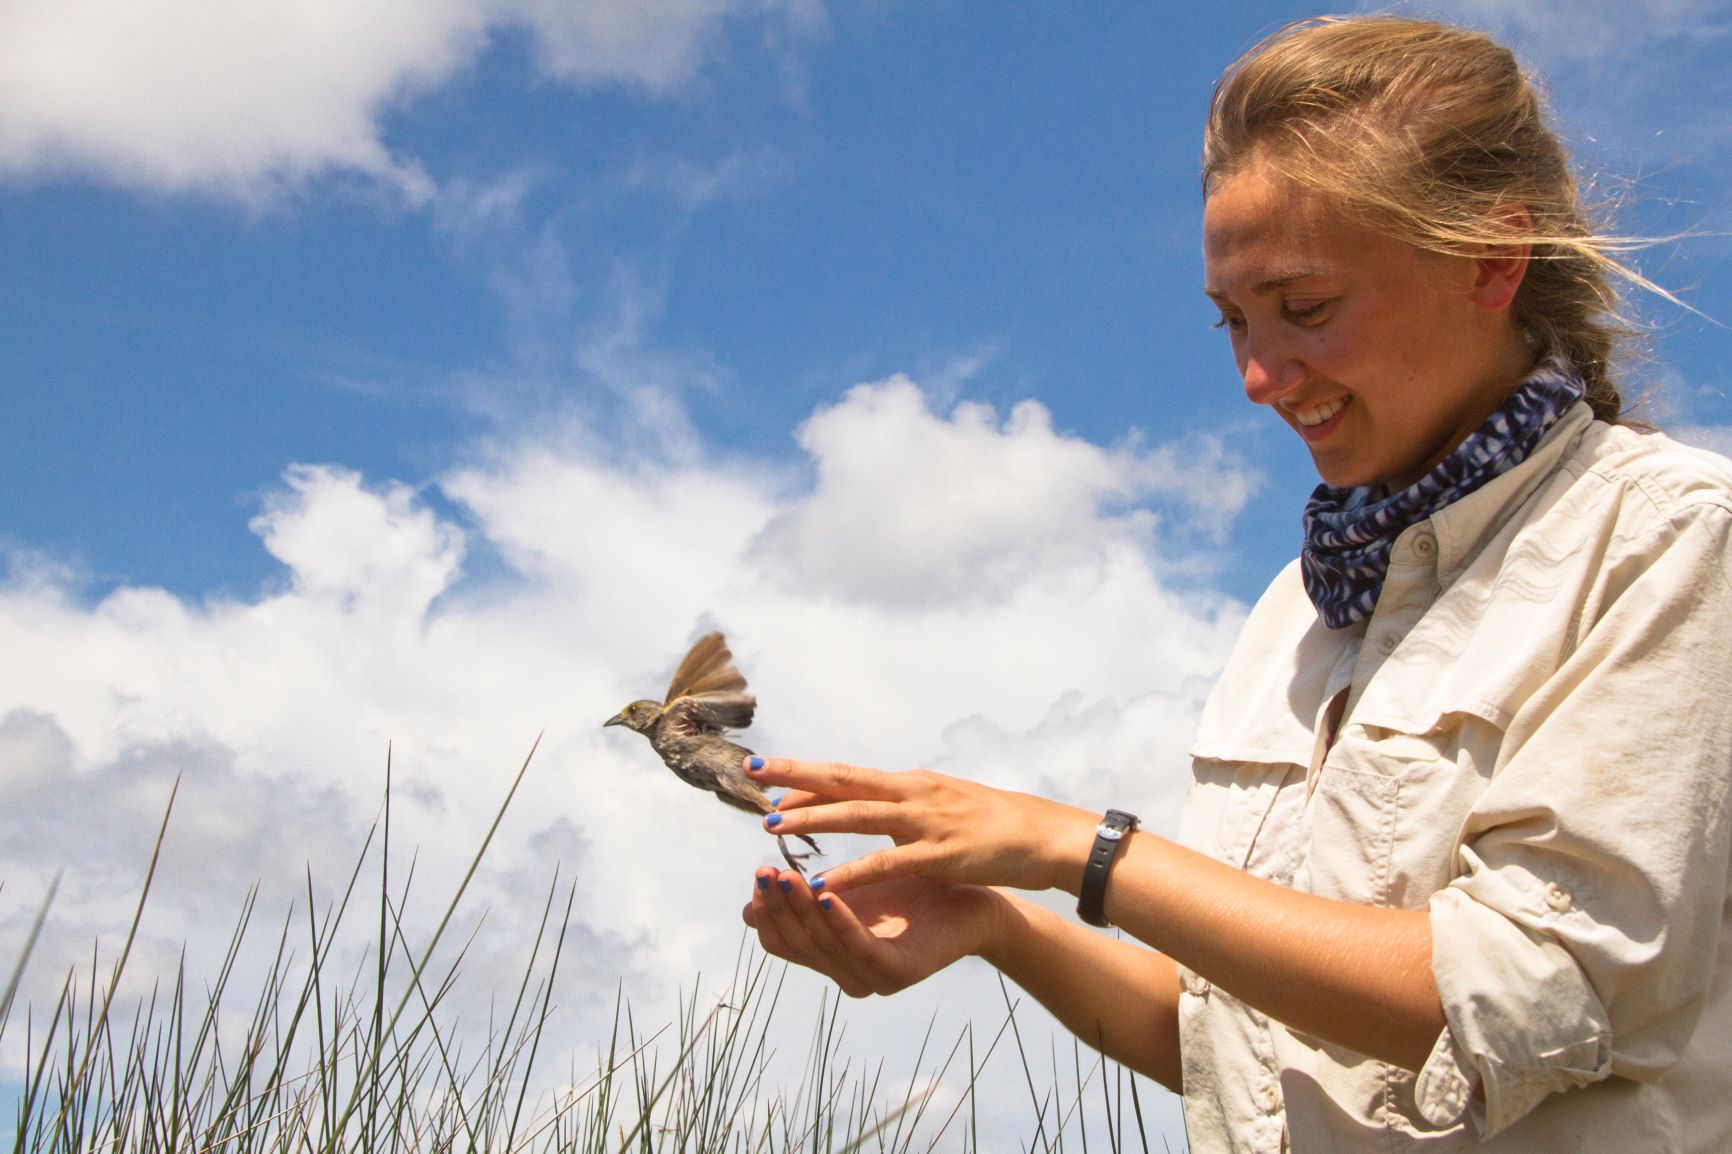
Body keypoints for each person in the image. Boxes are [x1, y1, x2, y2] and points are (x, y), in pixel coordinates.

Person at [740, 15, 1732, 1152]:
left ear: (1493, 260)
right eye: (1232, 321)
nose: (1260, 377)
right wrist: (996, 924)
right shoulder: (1295, 613)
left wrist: (1082, 849)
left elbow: (1525, 993)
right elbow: (1245, 1049)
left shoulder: (1668, 540)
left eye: (1305, 308)